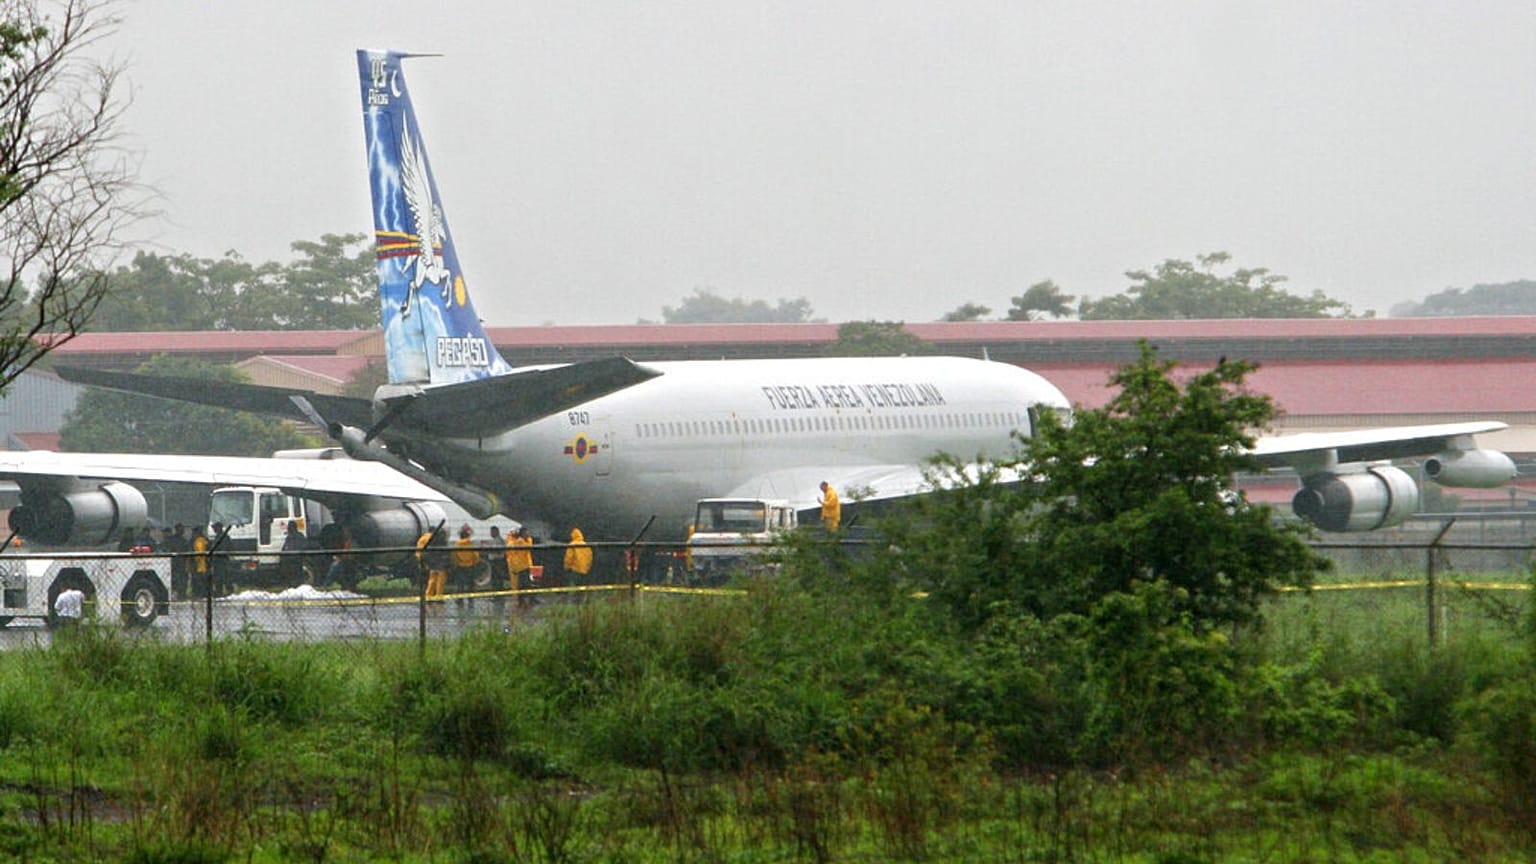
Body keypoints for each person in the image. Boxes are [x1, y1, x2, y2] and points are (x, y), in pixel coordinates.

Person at [450, 524, 482, 601]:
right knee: (470, 584)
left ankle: (460, 599)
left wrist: (456, 563)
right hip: (470, 565)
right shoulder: (470, 544)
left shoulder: (457, 544)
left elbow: (454, 556)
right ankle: (470, 598)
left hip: (460, 566)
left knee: (460, 584)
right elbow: (476, 555)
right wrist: (475, 563)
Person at [505, 526, 534, 609]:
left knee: (527, 584)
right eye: (525, 532)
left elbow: (528, 546)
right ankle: (521, 601)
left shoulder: (526, 540)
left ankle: (525, 601)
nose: (527, 534)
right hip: (519, 567)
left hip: (526, 565)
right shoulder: (516, 542)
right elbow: (511, 552)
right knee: (521, 584)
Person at [416, 527, 448, 601]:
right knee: (440, 581)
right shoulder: (441, 541)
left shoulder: (428, 539)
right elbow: (445, 553)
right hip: (440, 564)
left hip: (431, 562)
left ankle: (428, 595)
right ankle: (439, 596)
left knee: (432, 580)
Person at [280, 519, 309, 586]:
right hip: (297, 558)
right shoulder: (300, 535)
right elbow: (305, 546)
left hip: (293, 559)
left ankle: (293, 584)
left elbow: (285, 548)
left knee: (293, 574)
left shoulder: (290, 537)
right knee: (297, 573)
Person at [190, 526, 210, 598]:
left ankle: (201, 594)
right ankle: (203, 594)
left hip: (200, 565)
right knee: (202, 580)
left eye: (194, 532)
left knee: (199, 580)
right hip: (203, 563)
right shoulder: (204, 539)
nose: (193, 534)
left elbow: (200, 552)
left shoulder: (199, 540)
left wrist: (195, 560)